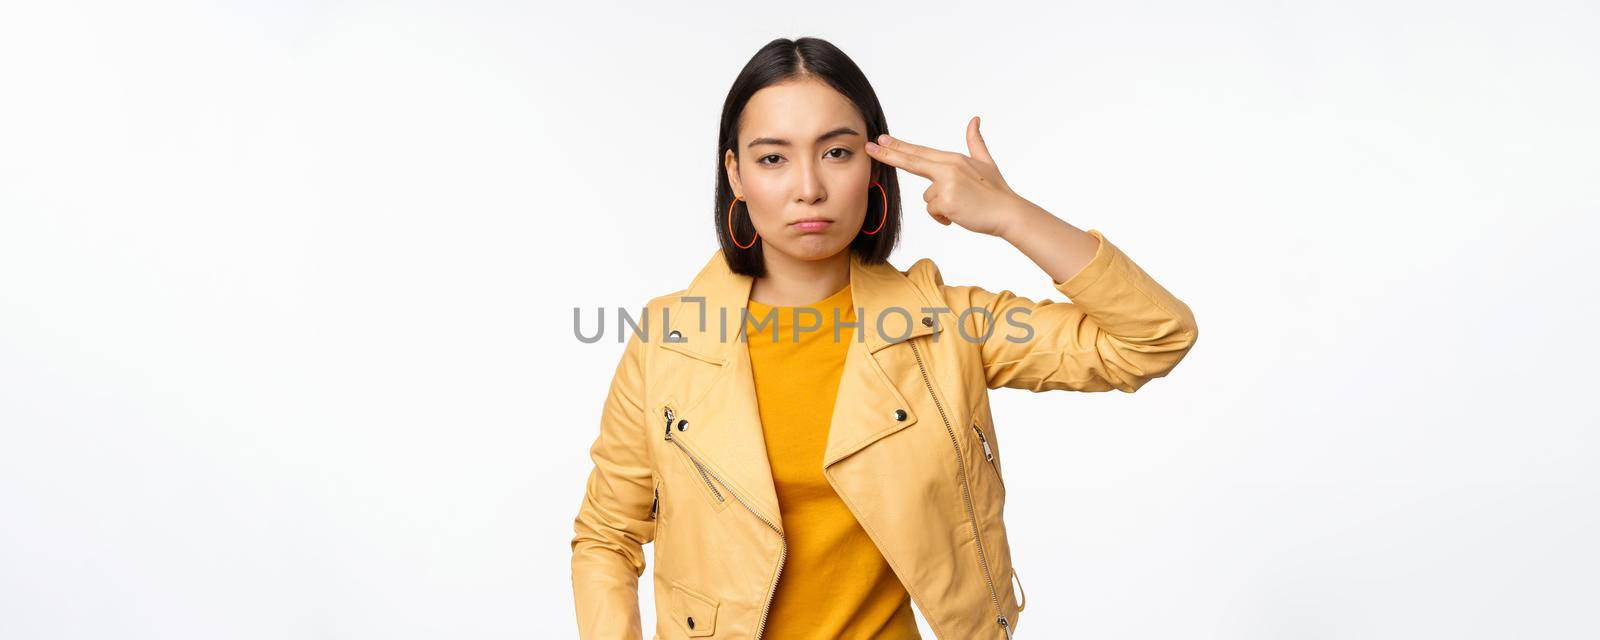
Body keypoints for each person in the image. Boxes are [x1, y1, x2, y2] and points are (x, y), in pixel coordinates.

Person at [570, 36, 1199, 639]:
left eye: (836, 152)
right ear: (734, 174)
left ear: (874, 164)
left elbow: (1152, 338)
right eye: (772, 158)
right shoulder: (667, 342)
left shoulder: (945, 327)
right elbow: (606, 535)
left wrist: (1010, 214)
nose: (808, 186)